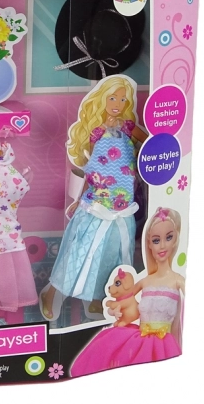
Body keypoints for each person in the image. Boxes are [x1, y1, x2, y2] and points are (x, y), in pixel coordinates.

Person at [40, 75, 147, 321]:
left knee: (111, 258)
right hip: (95, 205)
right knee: (76, 253)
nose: (118, 103)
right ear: (102, 99)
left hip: (122, 208)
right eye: (112, 98)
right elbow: (90, 168)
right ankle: (52, 293)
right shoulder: (95, 130)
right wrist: (78, 198)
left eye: (122, 99)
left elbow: (151, 143)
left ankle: (98, 299)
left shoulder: (129, 127)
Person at [70, 208, 184, 376]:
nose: (162, 245)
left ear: (176, 239)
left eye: (168, 237)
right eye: (156, 240)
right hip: (140, 338)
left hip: (164, 343)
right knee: (109, 345)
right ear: (149, 244)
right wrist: (113, 310)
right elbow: (123, 297)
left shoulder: (177, 280)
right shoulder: (145, 281)